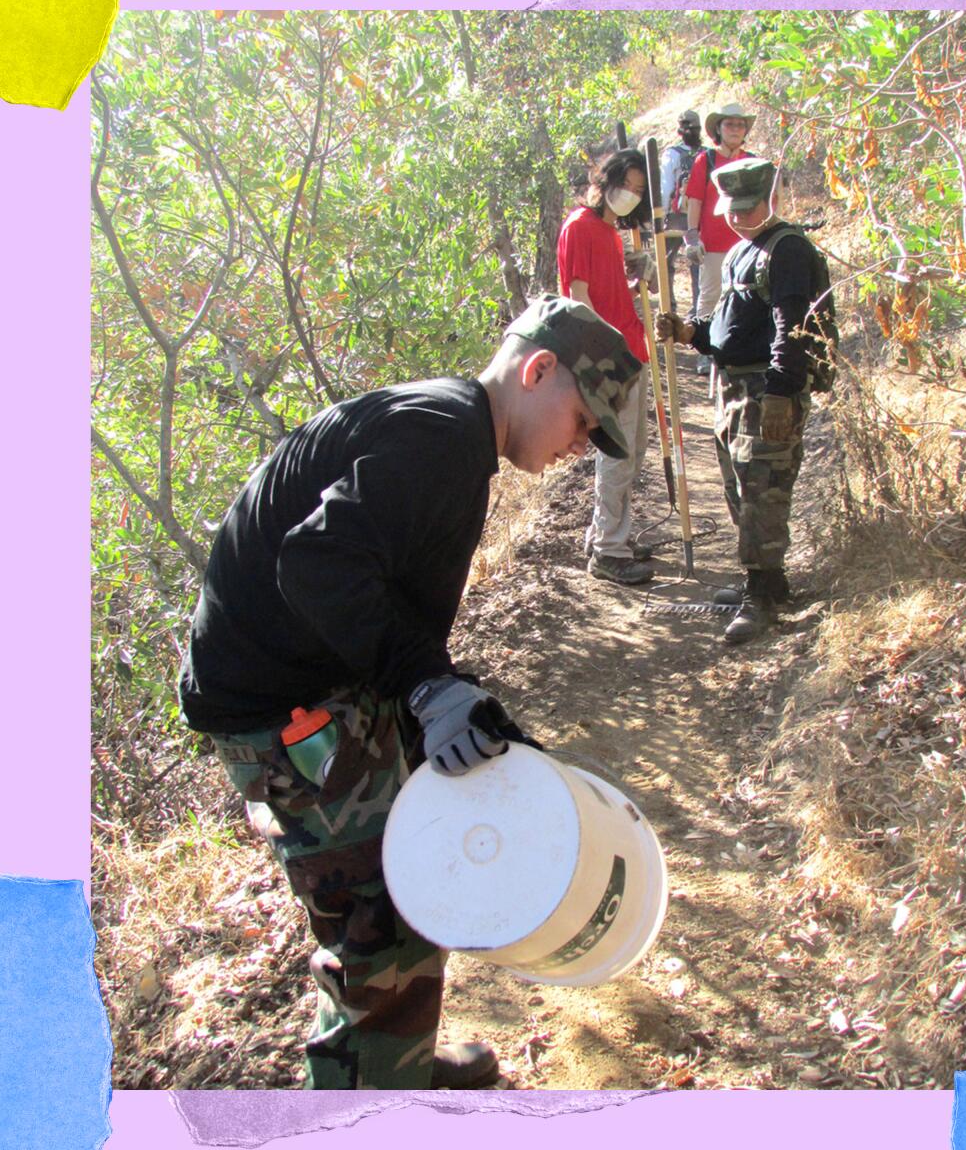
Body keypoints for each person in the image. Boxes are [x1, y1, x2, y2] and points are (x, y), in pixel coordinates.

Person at [177, 295, 643, 1090]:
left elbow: (377, 590)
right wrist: (427, 688)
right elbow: (315, 565)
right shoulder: (442, 437)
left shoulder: (450, 427)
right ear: (538, 371)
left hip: (323, 677)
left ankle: (398, 1066)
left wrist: (444, 693)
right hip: (282, 709)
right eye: (581, 422)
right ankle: (369, 1107)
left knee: (404, 874)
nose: (581, 447)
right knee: (381, 925)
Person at [656, 158, 839, 645]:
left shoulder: (788, 250)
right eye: (731, 210)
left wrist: (780, 392)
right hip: (734, 389)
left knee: (763, 490)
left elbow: (790, 329)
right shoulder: (741, 251)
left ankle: (762, 597)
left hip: (767, 391)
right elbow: (726, 331)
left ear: (769, 198)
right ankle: (767, 583)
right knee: (742, 488)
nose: (738, 217)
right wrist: (689, 333)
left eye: (749, 207)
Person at [557, 147, 656, 586]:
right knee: (617, 458)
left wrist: (634, 273)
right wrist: (601, 362)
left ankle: (607, 532)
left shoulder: (612, 232)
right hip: (607, 359)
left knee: (633, 455)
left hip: (634, 350)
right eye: (626, 186)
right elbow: (579, 299)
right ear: (605, 181)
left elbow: (612, 290)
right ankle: (608, 552)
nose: (630, 195)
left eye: (638, 190)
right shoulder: (579, 227)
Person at [684, 102, 756, 373]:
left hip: (746, 243)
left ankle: (735, 348)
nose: (736, 129)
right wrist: (692, 236)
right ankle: (705, 350)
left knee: (745, 298)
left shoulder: (752, 161)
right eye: (730, 124)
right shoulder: (707, 160)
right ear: (719, 128)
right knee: (710, 295)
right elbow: (695, 200)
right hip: (714, 244)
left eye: (740, 125)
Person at [658, 109, 703, 321]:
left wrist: (662, 213)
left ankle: (669, 306)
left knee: (666, 261)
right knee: (698, 262)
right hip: (699, 216)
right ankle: (697, 309)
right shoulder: (706, 154)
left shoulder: (672, 154)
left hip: (676, 216)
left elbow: (666, 187)